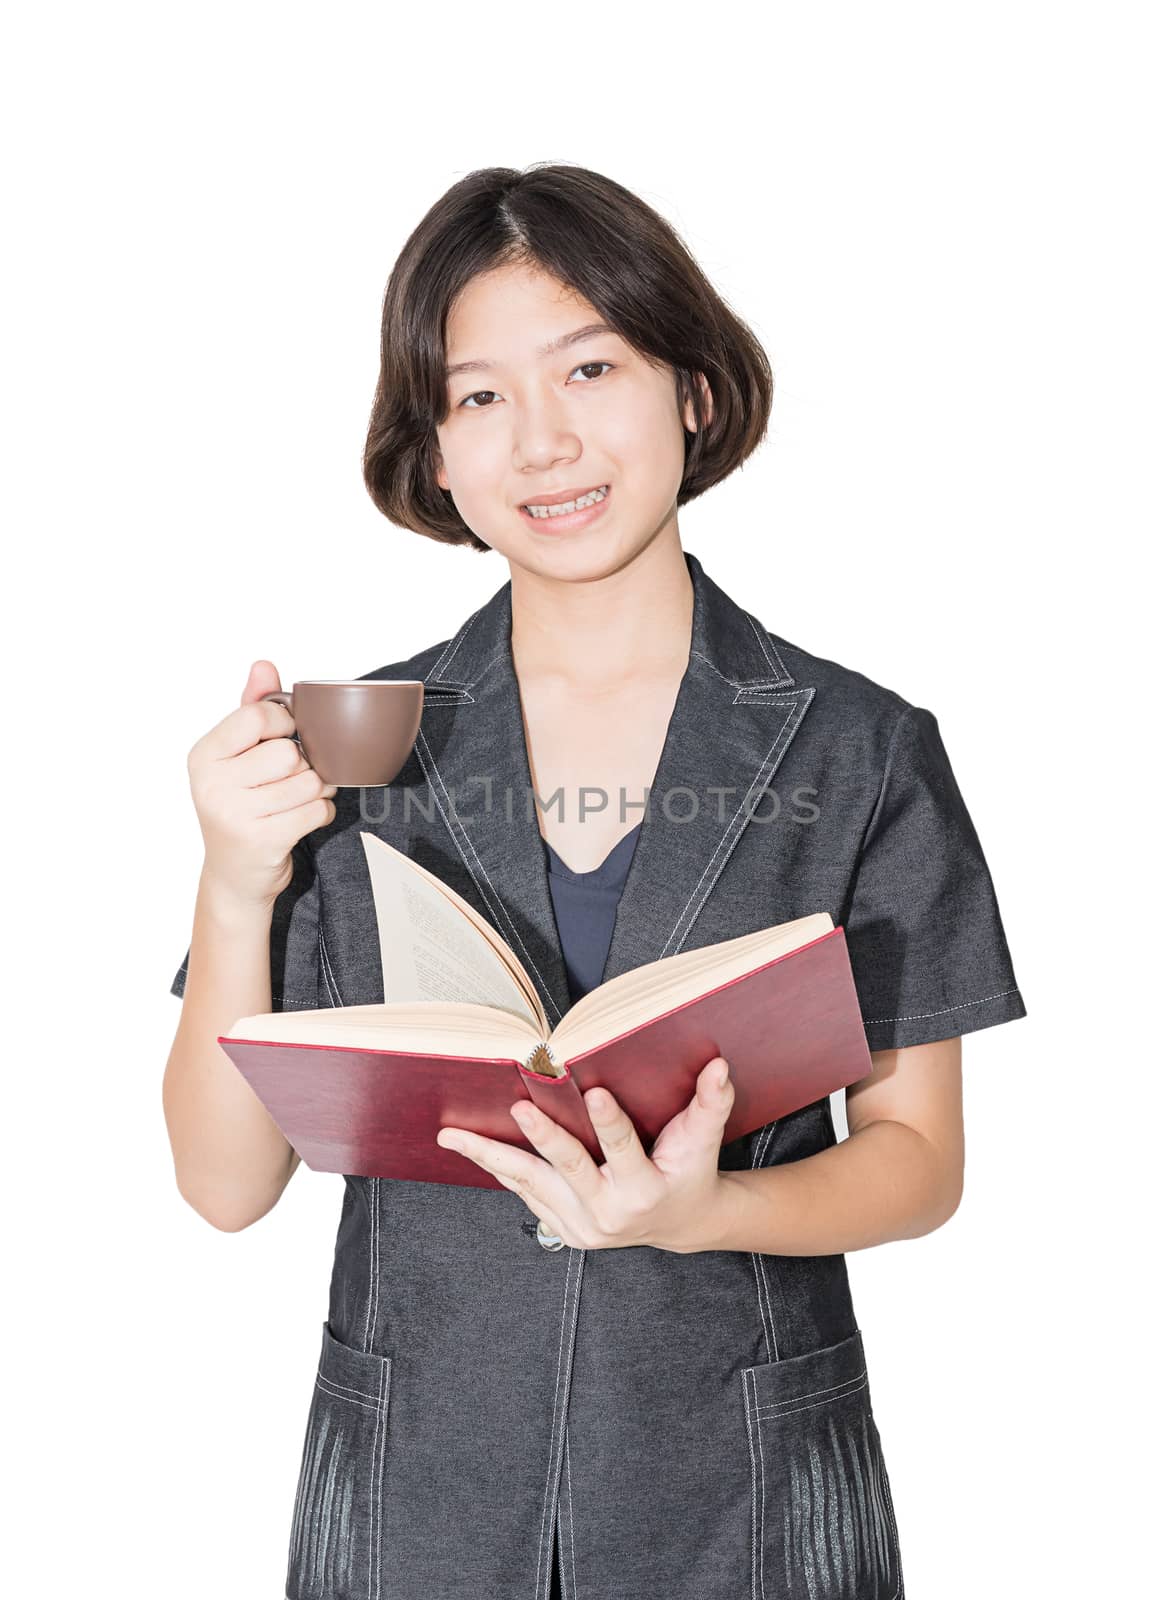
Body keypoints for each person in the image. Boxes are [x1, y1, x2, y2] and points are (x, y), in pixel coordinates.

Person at [163, 163, 1027, 1600]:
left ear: (691, 390)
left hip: (741, 1496)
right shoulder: (351, 744)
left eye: (592, 367)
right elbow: (225, 1184)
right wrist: (236, 878)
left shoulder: (862, 751)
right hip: (416, 1494)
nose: (543, 443)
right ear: (435, 452)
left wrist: (704, 1215)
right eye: (480, 396)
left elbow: (921, 1162)